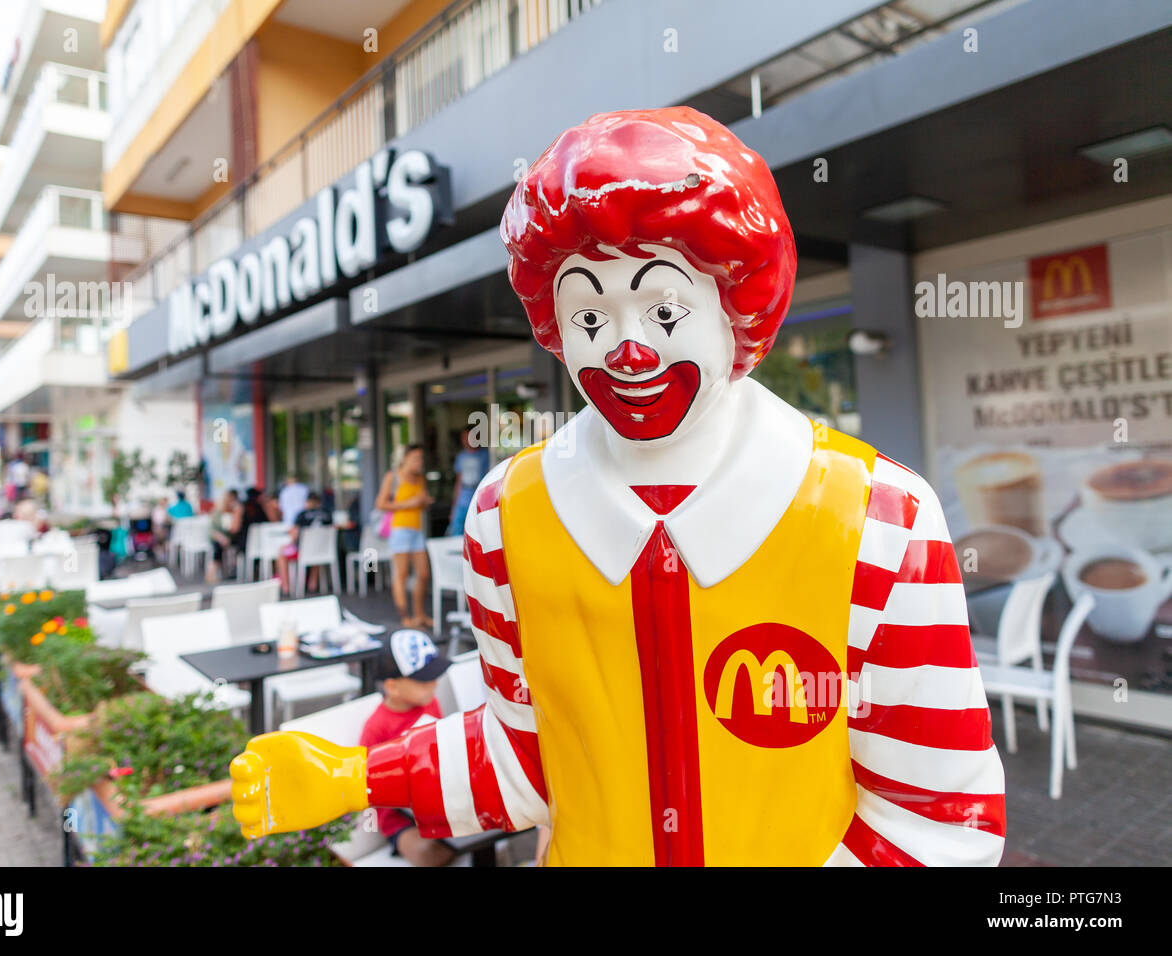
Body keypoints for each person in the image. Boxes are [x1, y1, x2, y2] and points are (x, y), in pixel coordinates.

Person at [232, 107, 1004, 867]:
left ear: (738, 306)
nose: (629, 349)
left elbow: (939, 816)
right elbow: (529, 760)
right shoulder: (505, 520)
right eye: (590, 317)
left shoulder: (880, 518)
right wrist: (358, 775)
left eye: (664, 309)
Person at [357, 630, 455, 866]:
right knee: (428, 852)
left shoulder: (431, 703)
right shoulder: (376, 728)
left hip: (437, 803)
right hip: (398, 819)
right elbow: (366, 783)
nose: (434, 683)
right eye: (423, 680)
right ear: (393, 687)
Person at [375, 445, 433, 628]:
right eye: (416, 458)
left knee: (424, 574)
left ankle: (419, 615)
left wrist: (424, 502)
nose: (419, 462)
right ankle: (405, 617)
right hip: (399, 529)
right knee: (402, 574)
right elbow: (381, 504)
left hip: (417, 530)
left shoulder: (420, 479)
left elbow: (422, 505)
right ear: (405, 459)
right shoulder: (393, 477)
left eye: (421, 459)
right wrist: (408, 504)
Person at [276, 491, 331, 596]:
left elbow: (294, 534)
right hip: (322, 551)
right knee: (316, 552)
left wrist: (289, 542)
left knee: (281, 553)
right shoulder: (327, 514)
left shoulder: (302, 515)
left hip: (303, 552)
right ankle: (312, 584)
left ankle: (286, 587)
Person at [448, 426, 491, 536]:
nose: (467, 440)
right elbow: (458, 482)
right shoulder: (461, 456)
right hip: (462, 500)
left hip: (478, 499)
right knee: (456, 530)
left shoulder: (486, 455)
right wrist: (454, 506)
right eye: (465, 438)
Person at [208, 489, 242, 583]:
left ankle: (223, 570)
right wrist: (221, 537)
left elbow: (234, 529)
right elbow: (212, 530)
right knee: (218, 546)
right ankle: (212, 572)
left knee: (223, 545)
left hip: (230, 537)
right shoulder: (217, 512)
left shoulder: (233, 512)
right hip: (219, 538)